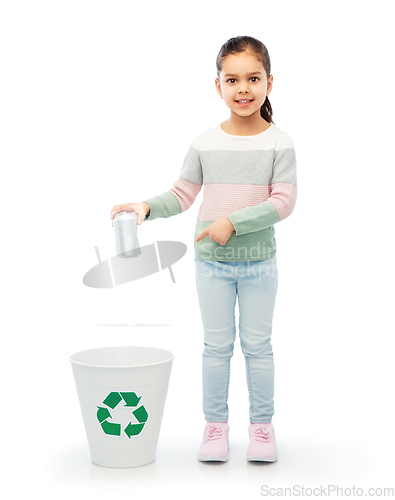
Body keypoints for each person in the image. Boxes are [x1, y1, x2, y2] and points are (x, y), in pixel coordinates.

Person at [110, 35, 297, 463]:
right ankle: (215, 428)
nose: (244, 89)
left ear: (270, 81)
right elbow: (181, 194)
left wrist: (232, 222)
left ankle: (261, 429)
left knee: (258, 346)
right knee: (216, 347)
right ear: (218, 86)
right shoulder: (203, 143)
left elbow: (283, 203)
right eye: (232, 80)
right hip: (212, 266)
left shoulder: (279, 142)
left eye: (253, 78)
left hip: (259, 265)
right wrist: (145, 207)